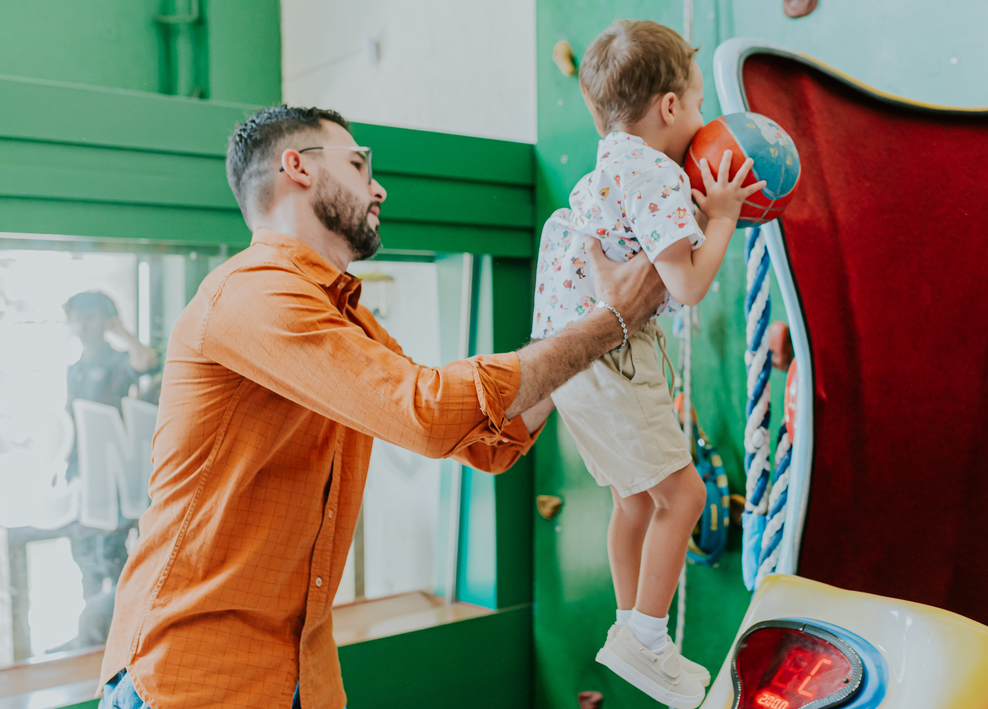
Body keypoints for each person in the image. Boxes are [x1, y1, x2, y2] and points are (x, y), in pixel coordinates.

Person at [96, 105, 666, 709]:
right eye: (358, 164)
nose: (378, 187)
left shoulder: (343, 316)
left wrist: (583, 323)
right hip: (192, 680)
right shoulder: (251, 294)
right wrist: (607, 324)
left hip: (299, 678)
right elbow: (425, 412)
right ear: (298, 167)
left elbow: (485, 440)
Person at [532, 19, 763, 709]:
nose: (698, 123)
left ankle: (630, 630)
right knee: (685, 497)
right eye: (695, 106)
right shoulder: (655, 170)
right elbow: (687, 286)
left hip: (572, 363)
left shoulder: (609, 167)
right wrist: (721, 215)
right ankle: (647, 636)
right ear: (668, 107)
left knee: (634, 498)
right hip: (614, 358)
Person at [52, 291, 158, 652]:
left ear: (105, 320)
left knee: (113, 558)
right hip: (81, 479)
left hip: (114, 480)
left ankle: (121, 638)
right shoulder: (73, 368)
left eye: (91, 316)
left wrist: (123, 332)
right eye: (77, 317)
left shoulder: (117, 360)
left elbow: (146, 362)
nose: (82, 325)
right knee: (84, 558)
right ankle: (92, 636)